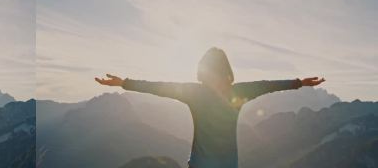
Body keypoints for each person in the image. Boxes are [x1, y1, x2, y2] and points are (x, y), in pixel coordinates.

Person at [95, 47, 325, 168]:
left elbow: (159, 87)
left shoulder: (196, 93)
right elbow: (268, 86)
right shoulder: (238, 91)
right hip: (228, 164)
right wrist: (299, 83)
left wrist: (124, 83)